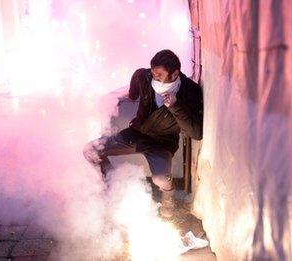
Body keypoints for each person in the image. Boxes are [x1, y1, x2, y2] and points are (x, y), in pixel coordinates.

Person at [84, 49, 203, 218]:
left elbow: (196, 133)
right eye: (153, 73)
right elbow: (133, 93)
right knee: (90, 150)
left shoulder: (190, 91)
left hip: (162, 142)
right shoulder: (144, 76)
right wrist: (117, 97)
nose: (154, 77)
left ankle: (169, 197)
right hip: (137, 133)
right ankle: (112, 182)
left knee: (160, 179)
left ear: (175, 73)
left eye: (159, 75)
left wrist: (176, 106)